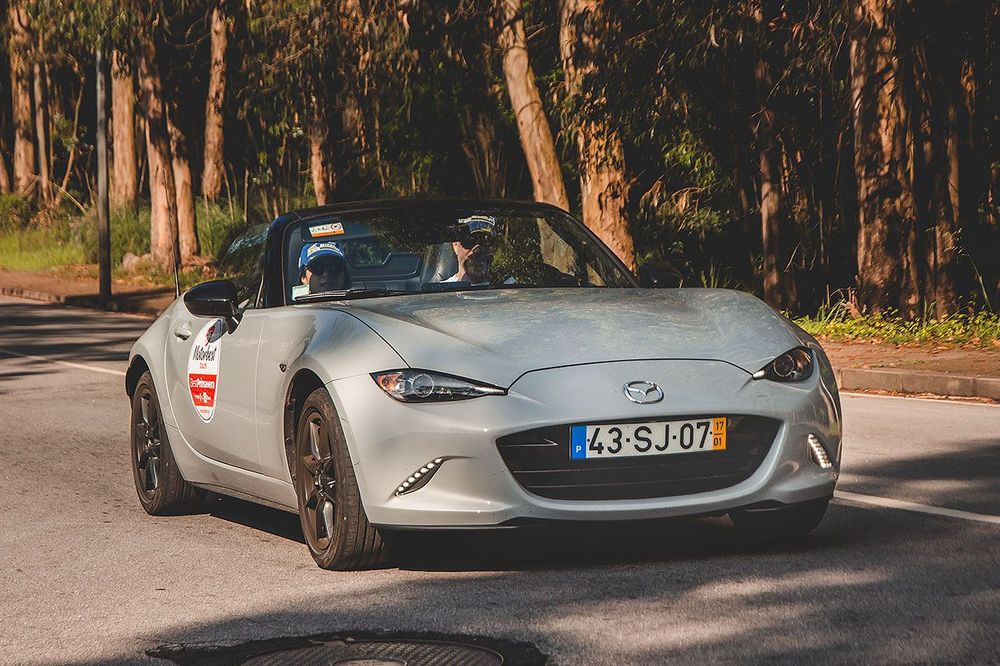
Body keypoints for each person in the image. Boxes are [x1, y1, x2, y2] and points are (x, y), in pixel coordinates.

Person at [444, 216, 496, 283]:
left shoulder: (506, 286)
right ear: (455, 245)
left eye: (486, 242)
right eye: (470, 241)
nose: (477, 250)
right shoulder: (442, 288)